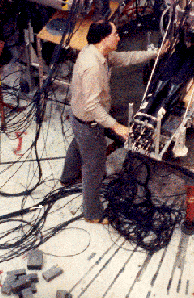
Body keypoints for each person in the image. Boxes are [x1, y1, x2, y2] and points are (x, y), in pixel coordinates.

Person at [60, 21, 158, 223]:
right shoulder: (93, 66)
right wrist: (117, 126)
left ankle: (67, 178)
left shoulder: (96, 52)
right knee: (94, 168)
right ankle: (93, 214)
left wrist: (155, 53)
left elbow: (126, 58)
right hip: (89, 122)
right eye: (116, 34)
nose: (119, 37)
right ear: (104, 39)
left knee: (78, 145)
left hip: (80, 120)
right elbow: (92, 107)